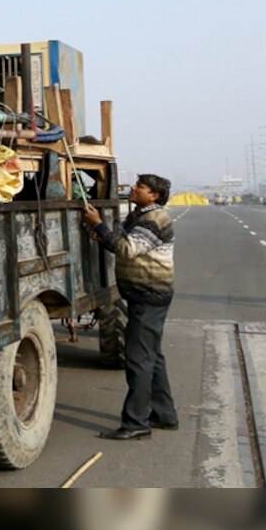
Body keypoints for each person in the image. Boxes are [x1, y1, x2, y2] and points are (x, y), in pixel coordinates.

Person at [83, 174, 179, 440]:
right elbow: (124, 244)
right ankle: (164, 414)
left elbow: (127, 248)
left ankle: (136, 423)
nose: (134, 188)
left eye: (141, 187)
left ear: (154, 196)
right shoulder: (139, 215)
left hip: (149, 296)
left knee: (138, 360)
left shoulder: (155, 219)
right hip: (144, 295)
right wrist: (103, 236)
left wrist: (100, 226)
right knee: (153, 356)